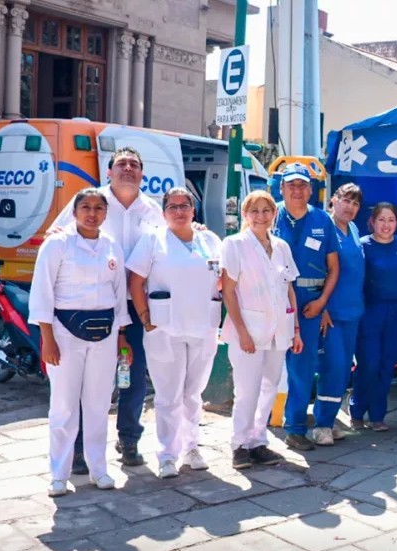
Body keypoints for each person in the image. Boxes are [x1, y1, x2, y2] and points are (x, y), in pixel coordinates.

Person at [52, 147, 165, 470]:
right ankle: (78, 447)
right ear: (109, 172)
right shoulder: (93, 202)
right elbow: (57, 233)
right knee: (91, 381)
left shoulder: (153, 210)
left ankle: (128, 439)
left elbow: (171, 240)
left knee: (136, 376)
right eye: (121, 164)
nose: (128, 169)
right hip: (96, 306)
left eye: (134, 164)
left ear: (142, 173)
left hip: (140, 304)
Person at [32, 188, 130, 496]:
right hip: (64, 331)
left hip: (105, 332)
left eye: (98, 208)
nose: (92, 213)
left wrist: (122, 337)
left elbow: (118, 295)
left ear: (105, 214)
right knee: (63, 405)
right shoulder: (57, 244)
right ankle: (59, 475)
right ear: (74, 212)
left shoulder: (112, 246)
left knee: (99, 404)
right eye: (85, 207)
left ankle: (98, 469)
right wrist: (47, 339)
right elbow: (43, 293)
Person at [125, 188, 223, 478]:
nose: (179, 211)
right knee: (168, 395)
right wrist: (145, 317)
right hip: (165, 328)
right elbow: (135, 282)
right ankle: (168, 454)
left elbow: (224, 279)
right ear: (164, 211)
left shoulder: (210, 240)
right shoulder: (153, 240)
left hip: (203, 326)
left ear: (194, 210)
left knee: (193, 393)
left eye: (185, 206)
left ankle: (191, 447)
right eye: (173, 206)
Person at [220, 190, 302, 469]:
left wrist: (297, 330)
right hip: (249, 331)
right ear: (245, 215)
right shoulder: (234, 245)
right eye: (254, 211)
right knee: (247, 391)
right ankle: (239, 444)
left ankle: (258, 441)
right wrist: (242, 331)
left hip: (280, 330)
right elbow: (228, 291)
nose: (260, 216)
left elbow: (289, 288)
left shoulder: (281, 247)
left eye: (266, 210)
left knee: (270, 387)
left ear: (274, 214)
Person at [273, 163, 339, 452]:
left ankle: (296, 428)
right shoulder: (269, 213)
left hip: (309, 303)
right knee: (265, 366)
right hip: (273, 302)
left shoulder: (323, 220)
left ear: (311, 189)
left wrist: (322, 302)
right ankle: (254, 428)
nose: (297, 190)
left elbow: (334, 268)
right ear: (282, 188)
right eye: (291, 185)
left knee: (301, 367)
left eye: (302, 185)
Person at [312, 184, 366, 445]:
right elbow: (316, 269)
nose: (350, 207)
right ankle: (320, 424)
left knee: (344, 369)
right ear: (334, 200)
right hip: (330, 313)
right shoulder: (324, 227)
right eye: (346, 200)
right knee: (331, 367)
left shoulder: (354, 229)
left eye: (355, 204)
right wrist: (321, 307)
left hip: (352, 312)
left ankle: (330, 419)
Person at [353, 202, 397, 431]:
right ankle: (357, 410)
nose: (386, 225)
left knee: (387, 364)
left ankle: (378, 416)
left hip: (396, 313)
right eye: (381, 220)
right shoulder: (363, 246)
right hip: (370, 312)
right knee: (368, 363)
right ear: (372, 222)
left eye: (391, 220)